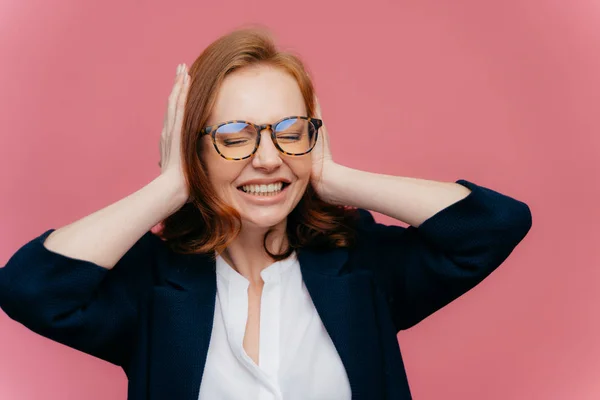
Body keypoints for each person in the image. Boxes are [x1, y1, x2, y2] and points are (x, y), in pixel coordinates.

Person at [0, 27, 532, 400]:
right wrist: (170, 187)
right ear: (195, 150)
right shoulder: (152, 289)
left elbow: (494, 225)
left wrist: (328, 175)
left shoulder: (362, 263)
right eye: (235, 136)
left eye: (289, 131)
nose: (268, 158)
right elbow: (30, 288)